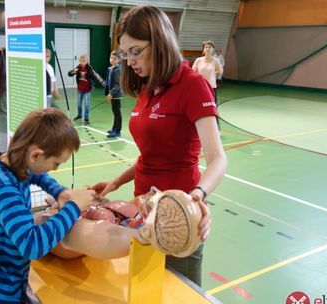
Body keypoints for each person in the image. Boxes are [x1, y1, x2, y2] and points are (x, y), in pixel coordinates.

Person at [91, 5, 227, 287]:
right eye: (125, 53)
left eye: (135, 51)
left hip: (178, 214)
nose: (129, 61)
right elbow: (150, 156)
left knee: (180, 291)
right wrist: (116, 182)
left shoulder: (193, 85)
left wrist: (196, 197)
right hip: (144, 208)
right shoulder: (147, 87)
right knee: (146, 287)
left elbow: (217, 160)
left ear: (160, 42)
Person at [0, 108, 96, 303]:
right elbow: (32, 245)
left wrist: (59, 191)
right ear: (35, 156)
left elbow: (34, 174)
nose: (55, 169)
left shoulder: (2, 164)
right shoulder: (6, 189)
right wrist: (73, 207)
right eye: (56, 163)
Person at [37, 187, 205, 260]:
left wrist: (68, 206)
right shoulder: (144, 212)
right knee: (111, 210)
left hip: (59, 235)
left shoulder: (118, 236)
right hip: (71, 228)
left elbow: (58, 232)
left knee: (40, 221)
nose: (153, 192)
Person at [192, 41, 223, 128]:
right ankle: (195, 126)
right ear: (203, 49)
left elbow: (220, 71)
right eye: (206, 47)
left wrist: (213, 73)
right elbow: (193, 71)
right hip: (200, 88)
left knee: (213, 108)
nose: (208, 49)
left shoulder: (215, 61)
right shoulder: (198, 60)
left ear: (212, 49)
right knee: (196, 107)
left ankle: (216, 128)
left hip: (211, 88)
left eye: (210, 47)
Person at [68, 54, 105, 125]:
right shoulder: (78, 68)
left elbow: (96, 75)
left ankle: (86, 117)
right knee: (79, 104)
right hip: (80, 89)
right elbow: (70, 74)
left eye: (84, 61)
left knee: (86, 104)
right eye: (81, 61)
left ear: (87, 61)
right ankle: (79, 115)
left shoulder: (89, 68)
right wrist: (72, 72)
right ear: (79, 61)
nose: (83, 62)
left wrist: (103, 82)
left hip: (87, 90)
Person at [105, 50, 124, 138]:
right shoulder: (112, 68)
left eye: (114, 58)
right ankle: (114, 128)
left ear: (119, 59)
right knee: (115, 112)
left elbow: (118, 84)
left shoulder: (117, 69)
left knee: (117, 112)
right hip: (113, 95)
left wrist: (111, 93)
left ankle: (118, 131)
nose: (112, 60)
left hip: (116, 95)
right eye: (111, 58)